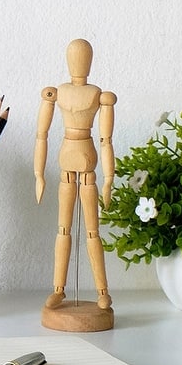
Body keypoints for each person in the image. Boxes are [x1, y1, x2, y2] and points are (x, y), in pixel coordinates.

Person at [34, 39, 116, 318]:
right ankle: (59, 288)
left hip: (88, 160)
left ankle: (102, 291)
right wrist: (38, 173)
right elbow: (41, 135)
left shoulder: (98, 95)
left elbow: (106, 140)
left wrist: (108, 179)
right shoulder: (57, 93)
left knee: (92, 230)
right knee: (63, 229)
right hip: (67, 159)